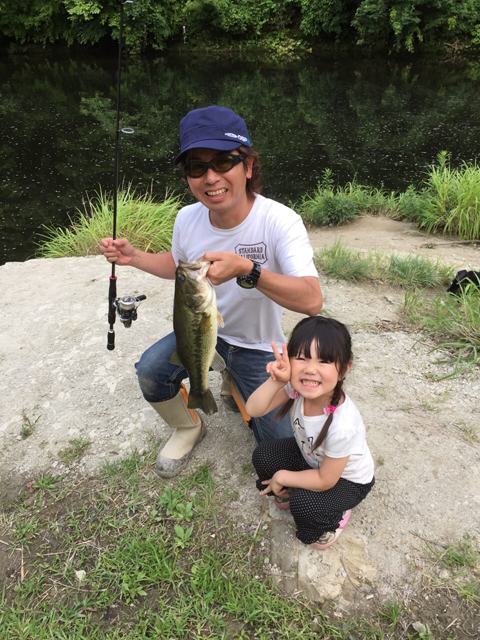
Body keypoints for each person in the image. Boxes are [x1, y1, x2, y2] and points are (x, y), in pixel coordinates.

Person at [100, 105, 322, 478]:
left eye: (223, 162)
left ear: (248, 166)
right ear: (187, 176)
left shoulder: (280, 221)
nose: (210, 177)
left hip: (258, 346)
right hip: (206, 335)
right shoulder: (187, 218)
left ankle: (233, 380)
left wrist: (248, 270)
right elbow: (178, 264)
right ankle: (190, 425)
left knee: (282, 454)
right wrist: (135, 257)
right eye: (196, 167)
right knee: (152, 372)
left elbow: (312, 300)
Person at [246, 316, 374, 550]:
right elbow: (253, 409)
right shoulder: (296, 388)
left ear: (344, 369)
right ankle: (288, 491)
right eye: (302, 358)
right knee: (264, 454)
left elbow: (326, 479)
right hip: (311, 458)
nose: (310, 369)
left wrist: (283, 476)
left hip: (346, 480)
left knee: (306, 505)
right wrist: (276, 381)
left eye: (324, 361)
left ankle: (333, 517)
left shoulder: (343, 424)